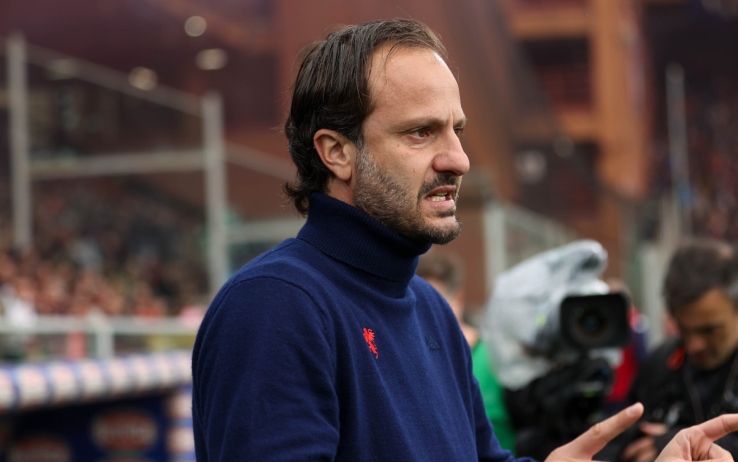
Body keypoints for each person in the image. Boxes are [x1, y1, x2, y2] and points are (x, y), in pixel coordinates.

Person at [191, 18, 737, 462]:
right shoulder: (274, 306)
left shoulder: (430, 309)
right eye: (420, 132)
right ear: (336, 152)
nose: (458, 159)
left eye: (457, 130)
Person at [606, 238, 738, 461]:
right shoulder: (660, 363)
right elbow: (619, 440)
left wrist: (682, 444)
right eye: (683, 329)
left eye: (710, 330)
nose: (694, 345)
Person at [417, 249, 517, 453]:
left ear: (459, 300)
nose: (424, 314)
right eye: (417, 305)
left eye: (434, 303)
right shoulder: (417, 361)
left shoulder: (496, 357)